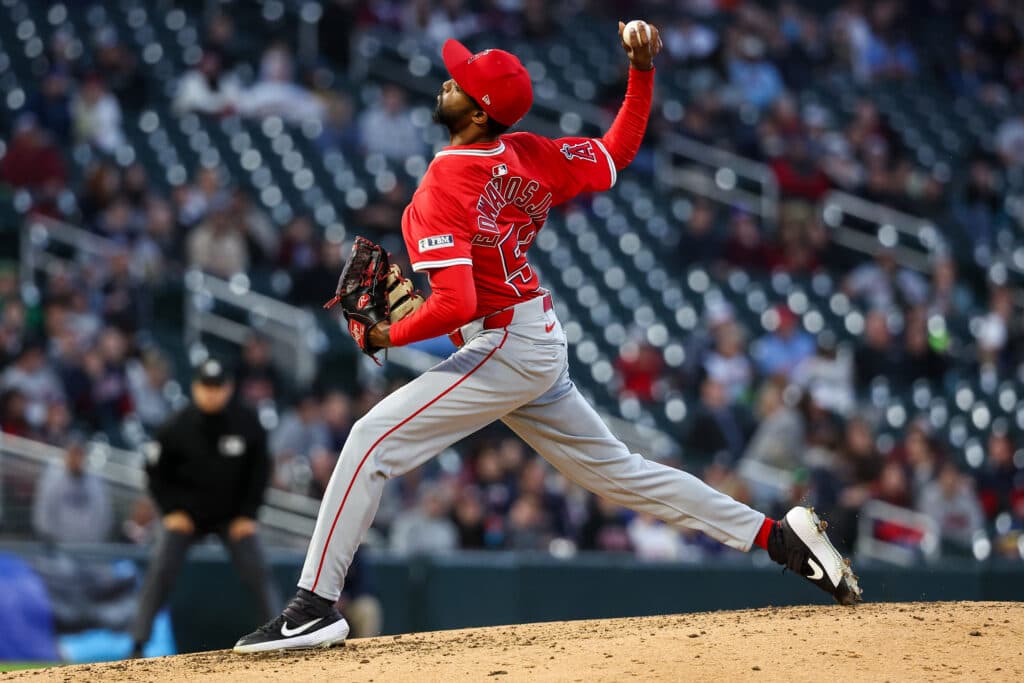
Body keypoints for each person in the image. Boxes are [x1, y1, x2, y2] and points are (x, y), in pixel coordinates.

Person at [234, 22, 860, 654]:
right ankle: (779, 538)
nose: (447, 81)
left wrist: (389, 332)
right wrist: (640, 72)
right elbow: (617, 150)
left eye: (460, 81)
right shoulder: (529, 153)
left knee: (370, 440)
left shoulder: (442, 185)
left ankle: (312, 607)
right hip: (530, 334)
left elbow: (457, 302)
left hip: (505, 342)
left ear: (478, 111)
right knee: (621, 474)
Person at [131, 359, 275, 657]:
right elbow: (155, 471)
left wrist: (248, 514)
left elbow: (260, 471)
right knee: (162, 568)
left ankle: (277, 635)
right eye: (206, 387)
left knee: (257, 570)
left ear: (228, 388)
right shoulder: (176, 425)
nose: (211, 394)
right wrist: (170, 511)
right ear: (195, 388)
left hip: (232, 517)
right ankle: (138, 642)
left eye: (217, 387)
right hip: (187, 516)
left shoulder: (246, 423)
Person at [31, 435, 112, 544]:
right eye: (73, 454)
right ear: (66, 455)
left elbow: (103, 516)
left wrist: (92, 541)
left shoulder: (95, 481)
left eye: (79, 454)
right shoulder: (53, 478)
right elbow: (43, 512)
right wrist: (50, 537)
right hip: (59, 546)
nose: (76, 459)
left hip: (88, 546)